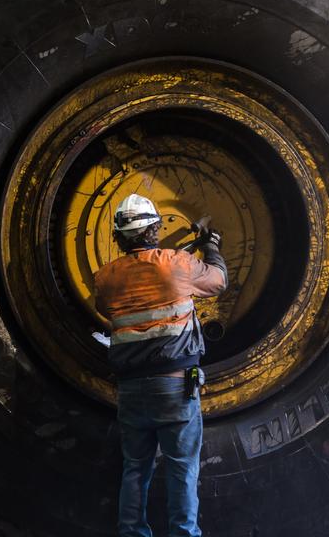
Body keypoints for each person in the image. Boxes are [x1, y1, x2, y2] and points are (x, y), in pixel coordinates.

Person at [94, 194, 227, 537]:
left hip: (131, 389)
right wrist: (211, 247)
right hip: (174, 386)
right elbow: (217, 281)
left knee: (135, 468)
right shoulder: (176, 263)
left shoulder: (106, 277)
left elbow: (104, 307)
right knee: (182, 468)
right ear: (155, 228)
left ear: (119, 236)